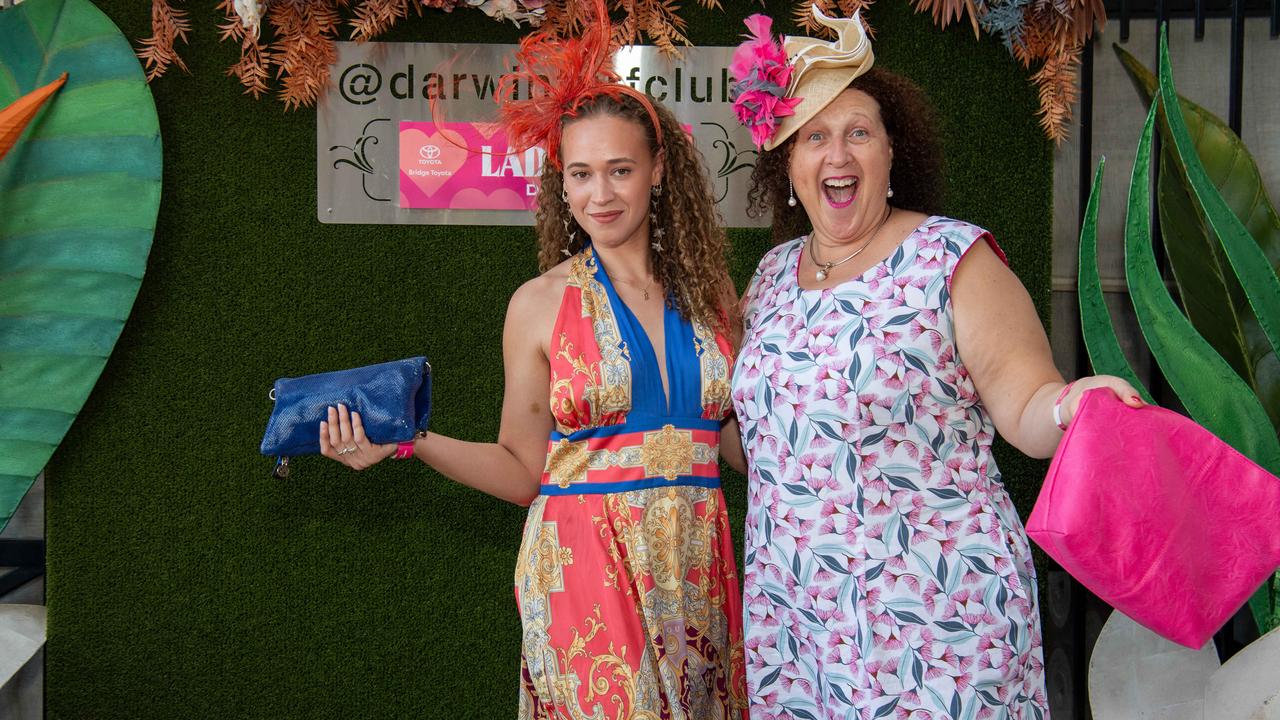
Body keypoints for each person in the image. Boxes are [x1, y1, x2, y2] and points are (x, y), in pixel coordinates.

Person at [318, 4, 750, 718]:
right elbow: (523, 469)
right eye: (580, 174)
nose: (599, 194)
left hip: (696, 567)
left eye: (619, 170)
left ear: (659, 169)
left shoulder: (712, 294)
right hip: (585, 569)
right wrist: (408, 441)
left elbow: (734, 441)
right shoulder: (539, 303)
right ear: (561, 181)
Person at [727, 6, 1142, 717]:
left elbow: (1024, 402)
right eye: (814, 137)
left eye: (859, 132)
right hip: (799, 626)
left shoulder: (951, 258)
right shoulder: (769, 278)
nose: (837, 155)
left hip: (937, 617)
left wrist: (1069, 403)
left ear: (893, 153)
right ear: (787, 164)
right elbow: (760, 443)